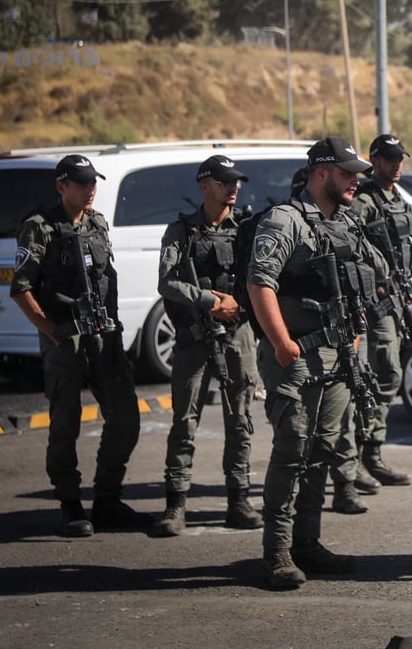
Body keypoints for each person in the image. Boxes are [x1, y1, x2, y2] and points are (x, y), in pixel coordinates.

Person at [247, 136, 386, 589]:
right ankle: (278, 552)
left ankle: (308, 542)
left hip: (339, 354)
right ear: (321, 173)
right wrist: (282, 342)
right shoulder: (285, 220)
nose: (355, 181)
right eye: (347, 173)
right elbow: (259, 283)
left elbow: (370, 276)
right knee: (292, 450)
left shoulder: (345, 221)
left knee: (323, 450)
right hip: (297, 355)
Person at [9, 154, 147, 537]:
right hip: (65, 338)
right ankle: (70, 503)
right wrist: (50, 330)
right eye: (81, 183)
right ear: (61, 186)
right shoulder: (39, 228)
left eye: (93, 183)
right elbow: (21, 288)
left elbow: (108, 280)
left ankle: (107, 498)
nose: (90, 190)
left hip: (104, 335)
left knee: (125, 416)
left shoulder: (97, 223)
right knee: (65, 422)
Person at [153, 155, 263, 537]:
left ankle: (239, 500)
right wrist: (209, 301)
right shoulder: (181, 232)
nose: (234, 188)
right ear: (205, 186)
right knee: (185, 422)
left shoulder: (248, 228)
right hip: (195, 335)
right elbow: (166, 282)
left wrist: (237, 306)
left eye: (237, 182)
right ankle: (175, 505)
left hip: (238, 334)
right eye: (225, 181)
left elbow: (263, 279)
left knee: (241, 419)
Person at [327, 133, 412, 516]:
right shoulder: (362, 200)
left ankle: (372, 453)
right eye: (389, 159)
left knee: (389, 377)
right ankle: (356, 460)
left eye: (400, 159)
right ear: (374, 160)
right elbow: (352, 248)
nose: (397, 165)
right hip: (374, 301)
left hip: (396, 296)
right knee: (375, 376)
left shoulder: (397, 199)